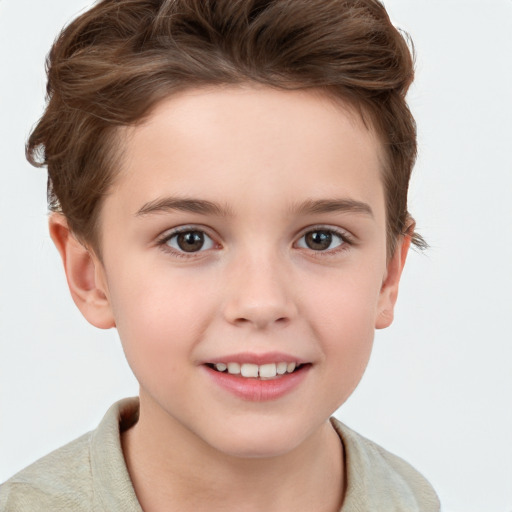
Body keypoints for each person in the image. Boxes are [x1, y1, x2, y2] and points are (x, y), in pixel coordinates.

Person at [0, 0, 440, 510]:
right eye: (189, 239)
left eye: (321, 238)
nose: (261, 302)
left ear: (389, 274)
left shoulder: (413, 498)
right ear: (89, 274)